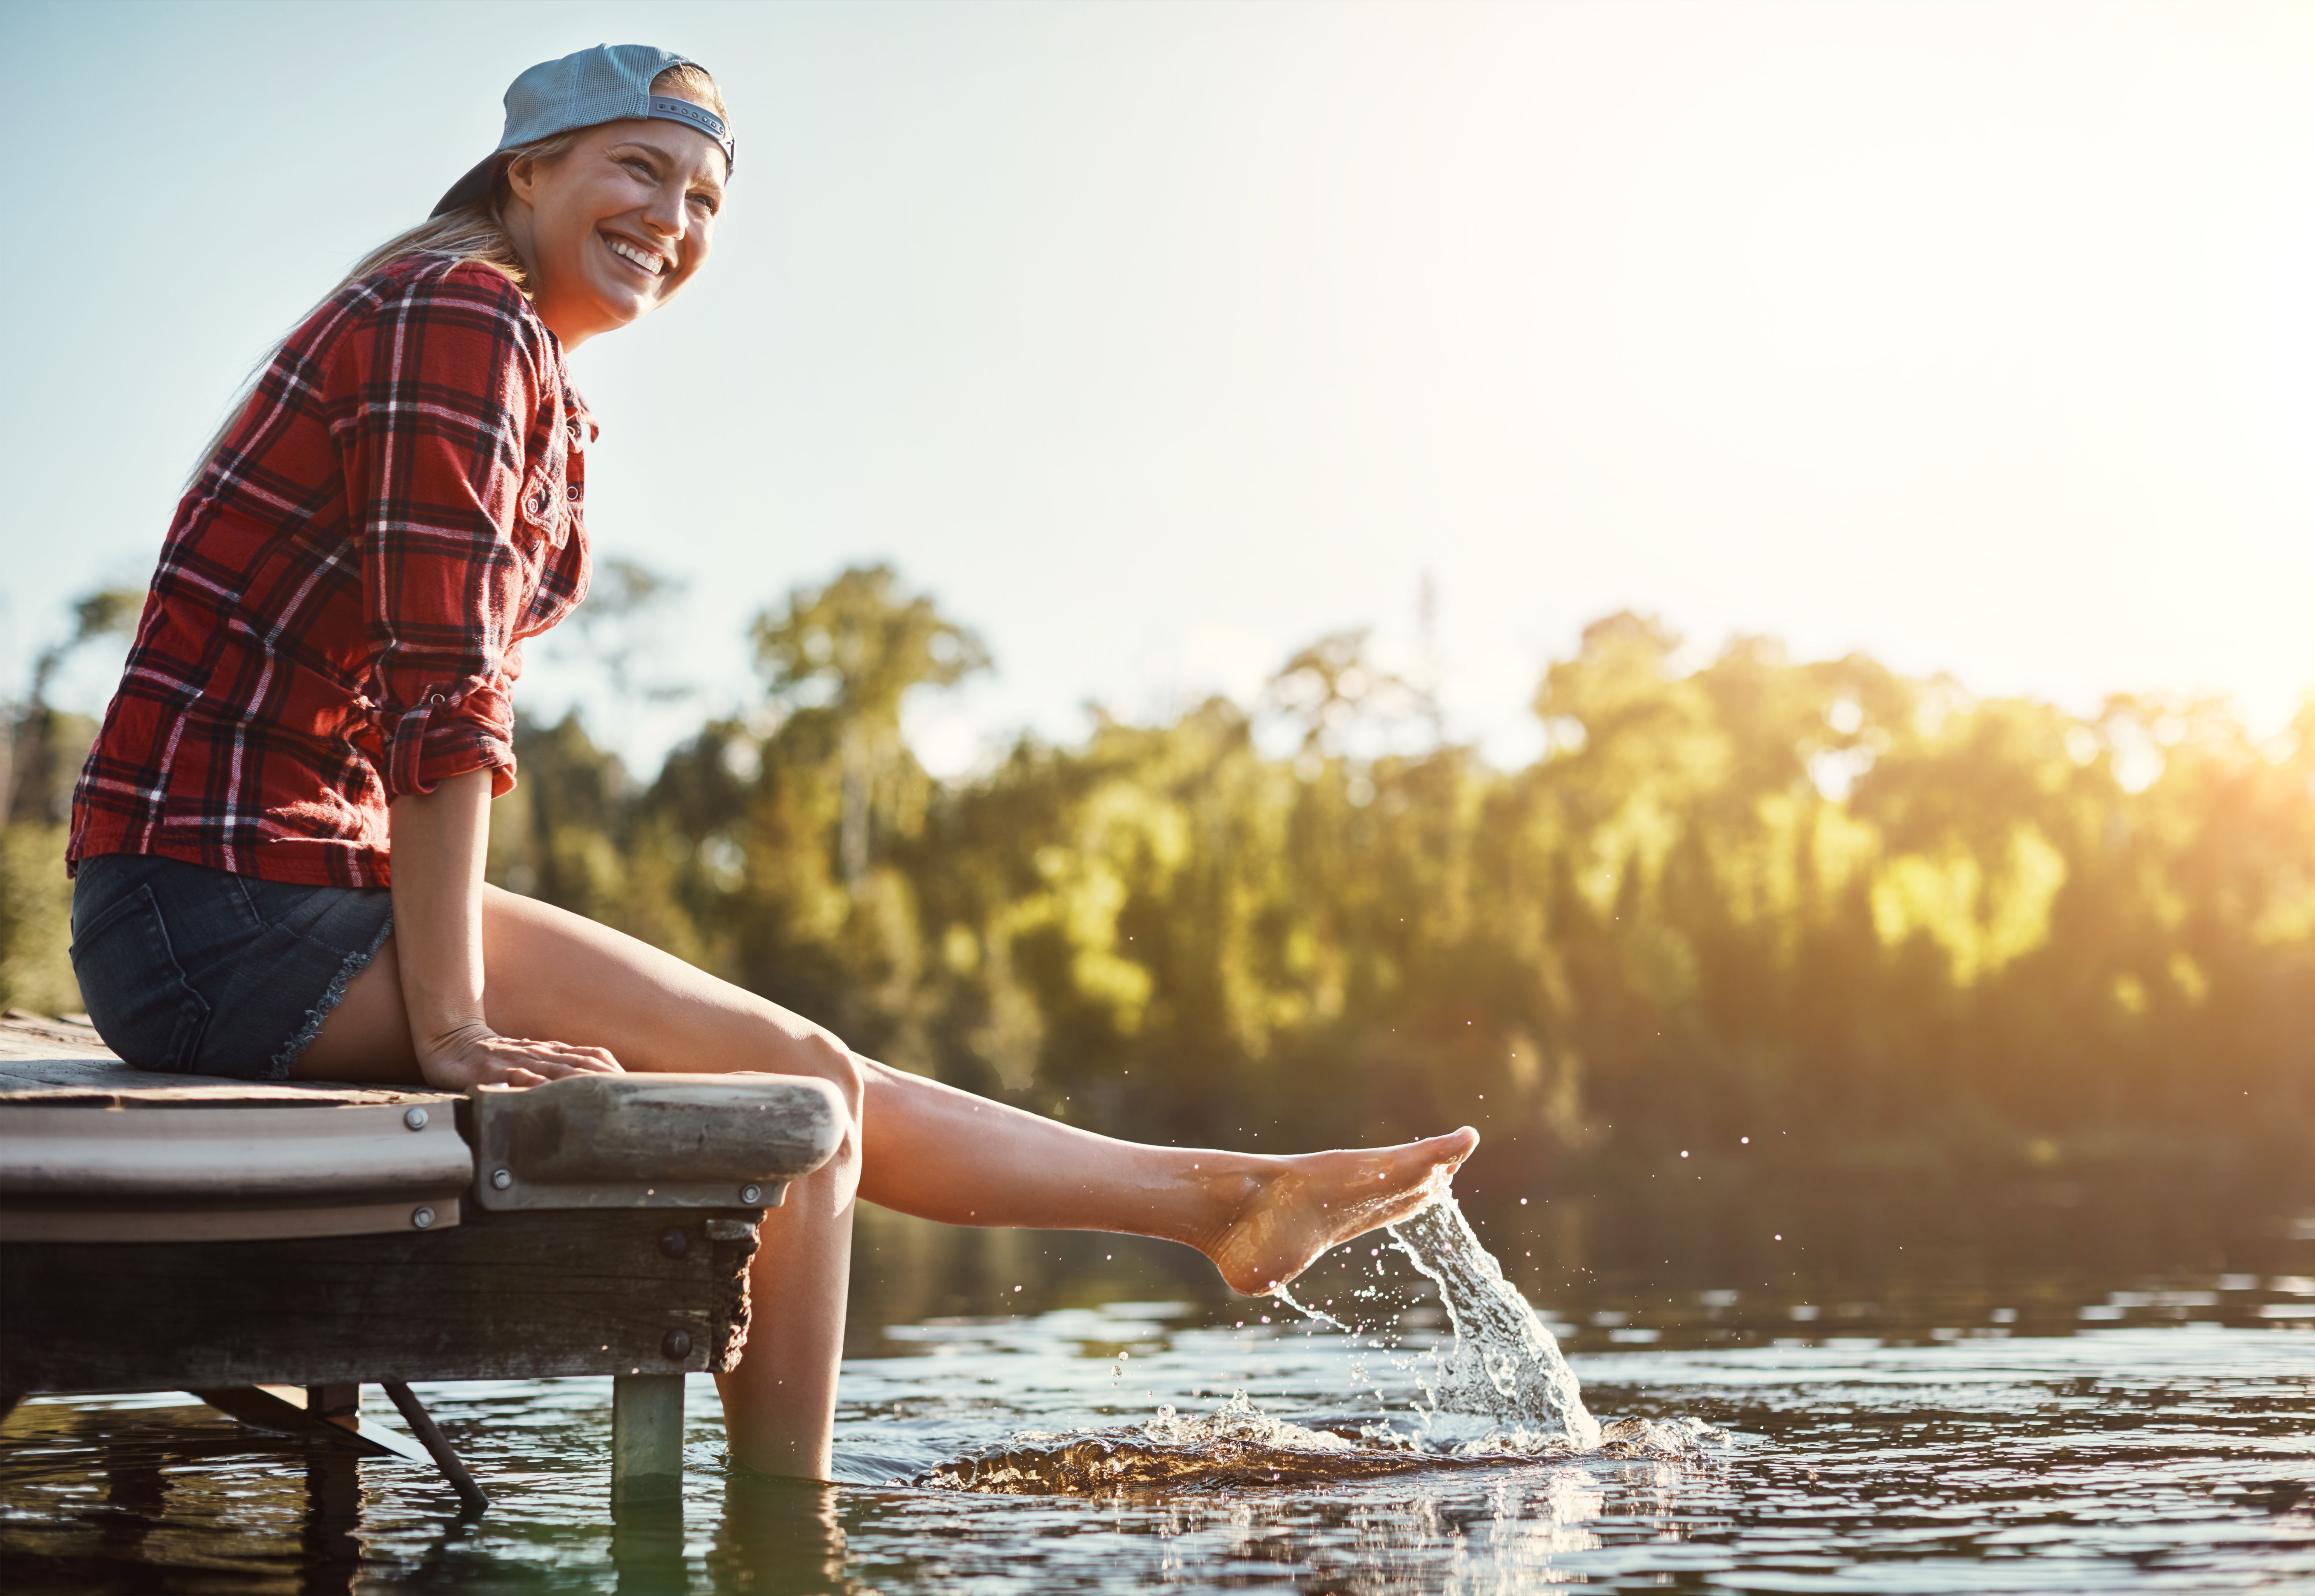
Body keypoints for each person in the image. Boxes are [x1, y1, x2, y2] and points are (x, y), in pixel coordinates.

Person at [63, 44, 1476, 1481]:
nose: (671, 219)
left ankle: (1224, 1201)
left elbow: (425, 697)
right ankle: (787, 1537)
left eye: (703, 200)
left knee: (819, 1079)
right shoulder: (459, 313)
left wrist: (450, 990)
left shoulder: (510, 349)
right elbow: (448, 696)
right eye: (637, 168)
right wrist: (453, 1025)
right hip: (218, 917)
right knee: (795, 1093)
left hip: (262, 894)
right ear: (528, 169)